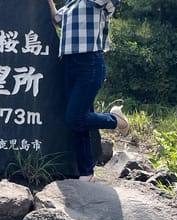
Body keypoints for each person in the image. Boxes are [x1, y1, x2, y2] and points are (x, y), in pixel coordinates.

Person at [46, 0, 128, 182]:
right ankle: (86, 172)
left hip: (89, 63)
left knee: (75, 118)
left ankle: (115, 120)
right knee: (80, 120)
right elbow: (57, 20)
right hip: (68, 63)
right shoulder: (72, 3)